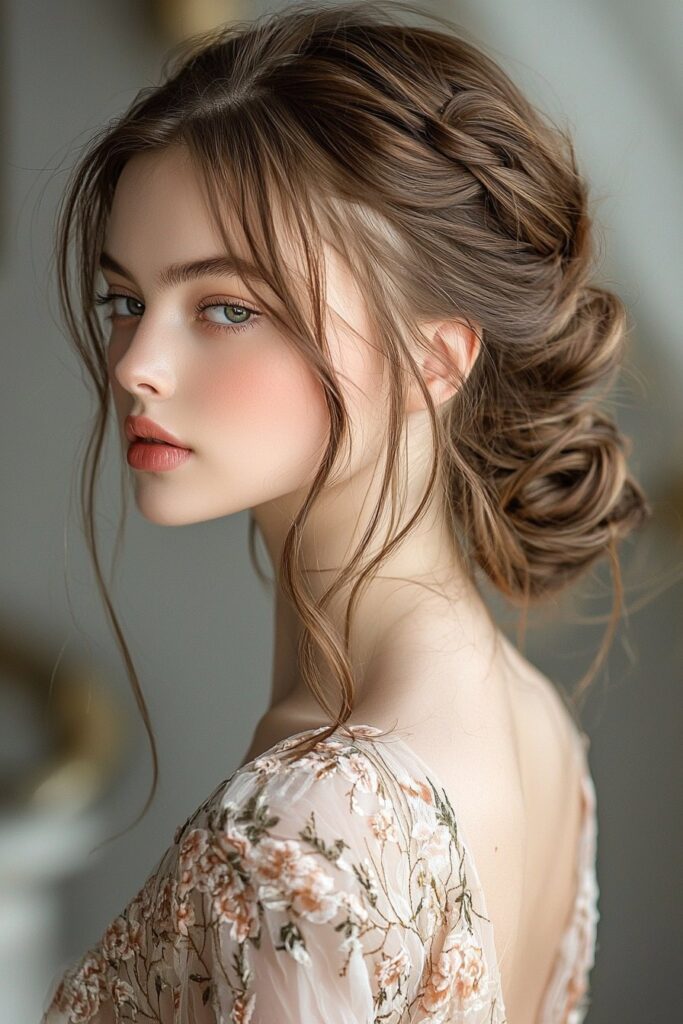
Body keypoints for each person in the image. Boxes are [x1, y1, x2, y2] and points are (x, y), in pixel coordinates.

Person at [41, 2, 651, 1021]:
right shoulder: (535, 726)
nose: (136, 366)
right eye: (124, 302)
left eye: (225, 308)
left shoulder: (307, 821)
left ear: (433, 358)